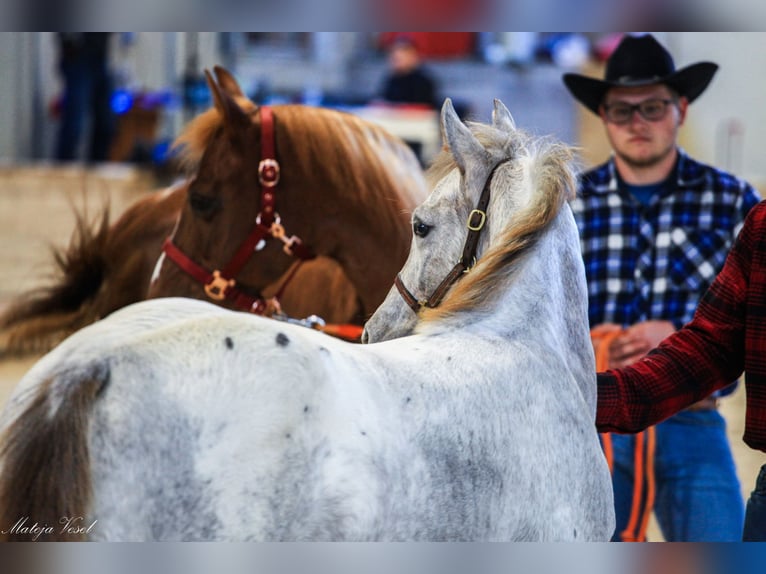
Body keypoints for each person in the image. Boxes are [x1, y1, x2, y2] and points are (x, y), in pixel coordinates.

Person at [563, 33, 762, 541]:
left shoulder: (734, 200)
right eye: (621, 110)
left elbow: (734, 328)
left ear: (682, 110)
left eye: (653, 107)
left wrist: (675, 337)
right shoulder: (569, 209)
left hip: (694, 418)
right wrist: (587, 348)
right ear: (603, 117)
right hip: (595, 422)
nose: (637, 123)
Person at [54, 33, 116, 162]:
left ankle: (97, 171)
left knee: (106, 124)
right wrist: (69, 40)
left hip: (99, 56)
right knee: (75, 125)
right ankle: (63, 171)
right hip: (78, 56)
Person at [378, 35, 439, 109]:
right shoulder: (391, 80)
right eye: (393, 54)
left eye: (402, 55)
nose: (395, 57)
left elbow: (426, 108)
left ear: (414, 56)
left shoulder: (423, 81)